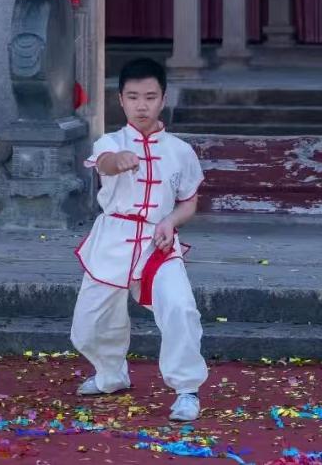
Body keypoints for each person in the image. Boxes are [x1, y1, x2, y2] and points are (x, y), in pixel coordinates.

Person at [71, 56, 207, 423]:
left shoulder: (180, 151)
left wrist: (171, 221)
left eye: (150, 97)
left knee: (179, 307)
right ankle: (111, 374)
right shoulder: (110, 142)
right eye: (133, 97)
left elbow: (189, 201)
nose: (141, 105)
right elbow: (105, 163)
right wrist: (118, 160)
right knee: (88, 325)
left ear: (163, 98)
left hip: (156, 244)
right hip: (112, 241)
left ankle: (187, 389)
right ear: (121, 100)